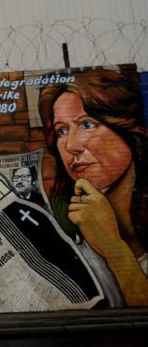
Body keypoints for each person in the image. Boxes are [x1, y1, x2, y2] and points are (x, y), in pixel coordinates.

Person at [39, 70, 148, 307]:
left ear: (128, 130)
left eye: (87, 124)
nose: (71, 145)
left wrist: (112, 247)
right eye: (61, 131)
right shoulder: (66, 232)